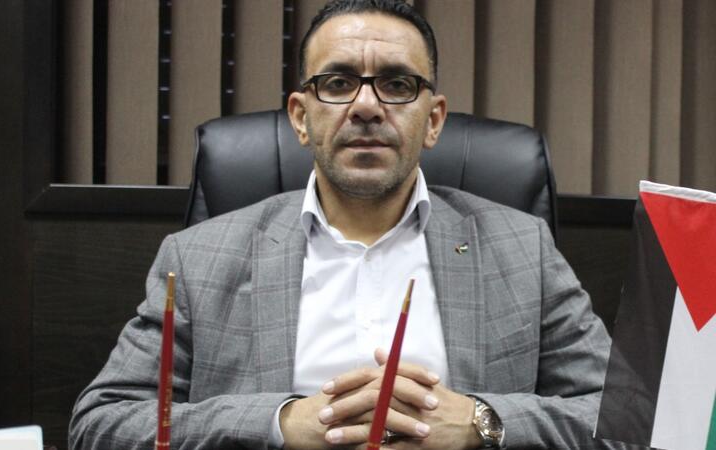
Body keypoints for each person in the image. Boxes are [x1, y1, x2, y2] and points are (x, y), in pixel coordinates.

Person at [70, 1, 620, 448]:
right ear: (300, 117)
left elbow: (624, 420)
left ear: (433, 121)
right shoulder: (198, 258)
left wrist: (482, 422)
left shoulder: (523, 249)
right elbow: (102, 423)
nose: (366, 107)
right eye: (337, 83)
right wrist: (279, 424)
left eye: (397, 84)